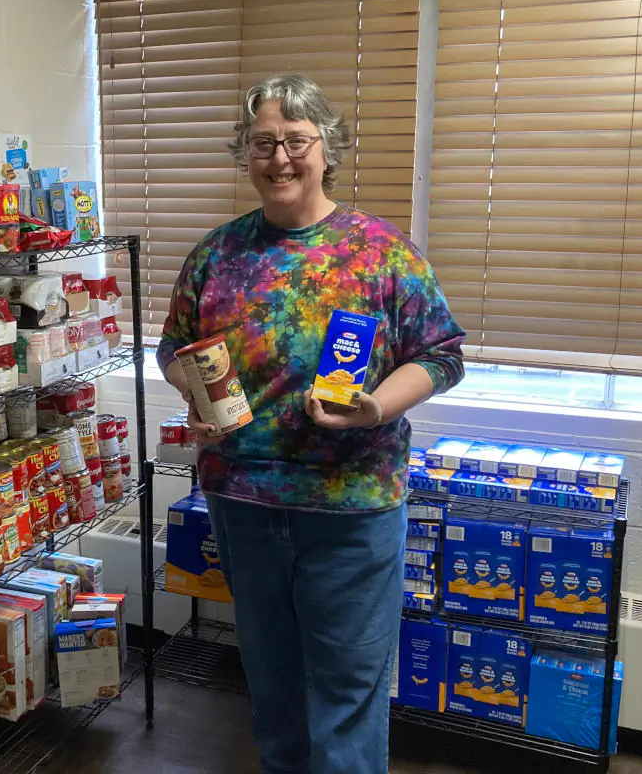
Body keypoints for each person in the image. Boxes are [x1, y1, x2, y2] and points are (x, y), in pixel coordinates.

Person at [156, 73, 466, 773]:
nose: (280, 158)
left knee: (347, 694)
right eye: (263, 143)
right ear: (246, 154)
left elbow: (442, 355)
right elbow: (173, 347)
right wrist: (194, 394)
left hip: (350, 507)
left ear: (327, 148)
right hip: (244, 501)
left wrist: (375, 408)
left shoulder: (382, 253)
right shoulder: (218, 253)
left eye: (296, 140)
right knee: (273, 686)